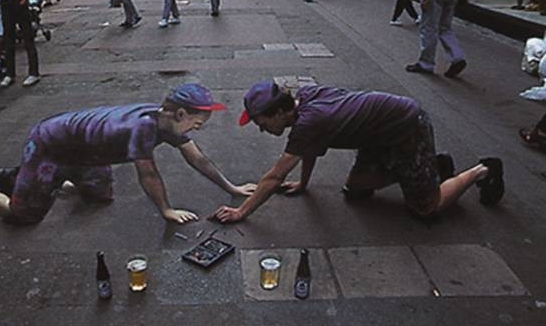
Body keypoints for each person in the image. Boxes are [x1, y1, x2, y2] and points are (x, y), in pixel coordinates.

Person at [0, 84, 256, 225]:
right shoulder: (143, 129)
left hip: (83, 153)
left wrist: (232, 188)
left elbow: (197, 159)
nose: (199, 128)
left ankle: (23, 177)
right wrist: (166, 210)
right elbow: (148, 174)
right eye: (198, 122)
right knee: (23, 215)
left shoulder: (165, 120)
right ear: (180, 113)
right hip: (50, 145)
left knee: (100, 196)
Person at [212, 80, 505, 223]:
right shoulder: (305, 100)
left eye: (262, 123)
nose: (262, 130)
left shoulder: (310, 122)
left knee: (426, 208)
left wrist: (241, 211)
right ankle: (432, 166)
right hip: (377, 136)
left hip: (407, 126)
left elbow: (275, 176)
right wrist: (303, 183)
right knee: (356, 190)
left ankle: (481, 170)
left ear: (278, 113)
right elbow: (309, 148)